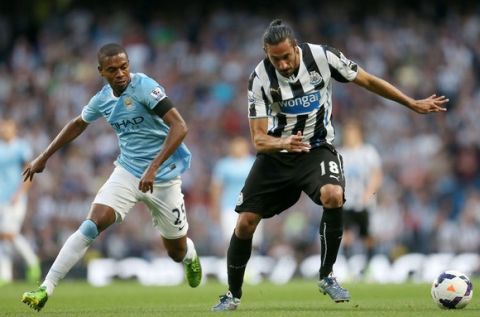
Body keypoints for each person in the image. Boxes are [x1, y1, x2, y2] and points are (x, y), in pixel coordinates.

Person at [211, 19, 447, 311]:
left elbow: (369, 80)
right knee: (245, 223)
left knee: (333, 195)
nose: (283, 64)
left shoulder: (323, 57)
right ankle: (232, 295)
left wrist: (410, 102)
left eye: (286, 56)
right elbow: (259, 139)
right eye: (276, 59)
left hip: (316, 149)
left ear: (295, 47)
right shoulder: (259, 78)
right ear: (265, 52)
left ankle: (327, 275)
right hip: (277, 155)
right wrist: (284, 142)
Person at [21, 43, 202, 312]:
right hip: (128, 172)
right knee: (91, 225)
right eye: (112, 69)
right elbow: (78, 123)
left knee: (175, 252)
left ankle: (190, 255)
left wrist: (153, 167)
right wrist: (44, 156)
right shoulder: (102, 99)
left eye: (124, 67)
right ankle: (45, 288)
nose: (120, 73)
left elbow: (180, 126)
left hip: (163, 177)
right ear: (101, 72)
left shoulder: (144, 86)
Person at [338, 119, 382, 275]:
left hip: (365, 202)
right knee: (347, 234)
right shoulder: (340, 153)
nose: (349, 136)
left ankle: (368, 266)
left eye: (352, 133)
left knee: (367, 235)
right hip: (347, 202)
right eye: (347, 133)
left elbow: (377, 175)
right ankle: (350, 268)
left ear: (359, 134)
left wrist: (369, 192)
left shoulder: (368, 152)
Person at [0, 119, 41, 285]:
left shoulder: (21, 146)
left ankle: (32, 262)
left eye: (7, 127)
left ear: (14, 129)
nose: (4, 130)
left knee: (8, 234)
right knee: (3, 238)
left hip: (15, 198)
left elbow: (29, 171)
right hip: (1, 198)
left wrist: (21, 193)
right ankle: (5, 275)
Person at [210, 137, 258, 250]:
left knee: (252, 239)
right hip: (229, 206)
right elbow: (216, 187)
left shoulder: (253, 163)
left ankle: (250, 265)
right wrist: (215, 207)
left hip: (251, 206)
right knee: (230, 238)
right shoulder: (223, 165)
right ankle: (231, 265)